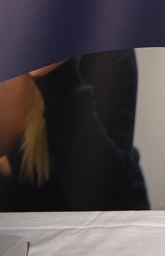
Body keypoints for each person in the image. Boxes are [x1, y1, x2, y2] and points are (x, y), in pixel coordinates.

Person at [0, 52, 149, 211]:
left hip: (106, 218)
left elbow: (101, 192)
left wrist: (56, 75)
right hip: (18, 214)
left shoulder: (103, 48)